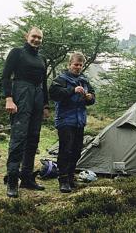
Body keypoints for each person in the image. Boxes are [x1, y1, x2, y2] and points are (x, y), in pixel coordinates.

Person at [2, 27, 49, 198]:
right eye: (34, 36)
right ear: (27, 36)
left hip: (37, 96)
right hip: (21, 92)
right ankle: (13, 180)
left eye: (40, 38)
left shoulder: (42, 58)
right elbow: (6, 76)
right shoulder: (17, 53)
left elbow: (43, 83)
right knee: (18, 138)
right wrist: (8, 98)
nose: (37, 40)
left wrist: (45, 105)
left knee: (33, 138)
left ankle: (27, 178)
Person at [49, 52, 95, 193]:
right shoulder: (61, 79)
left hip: (79, 121)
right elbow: (54, 94)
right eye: (75, 64)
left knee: (76, 151)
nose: (78, 67)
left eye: (80, 65)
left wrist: (89, 97)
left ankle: (70, 177)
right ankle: (62, 180)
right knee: (65, 150)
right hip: (65, 120)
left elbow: (93, 99)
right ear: (69, 64)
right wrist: (72, 90)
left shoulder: (84, 80)